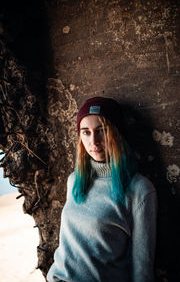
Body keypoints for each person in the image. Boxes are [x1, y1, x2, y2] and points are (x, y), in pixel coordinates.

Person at [47, 97, 157, 282]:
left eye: (101, 131)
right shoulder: (74, 180)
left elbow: (142, 269)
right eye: (86, 132)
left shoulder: (140, 190)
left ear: (116, 133)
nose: (94, 141)